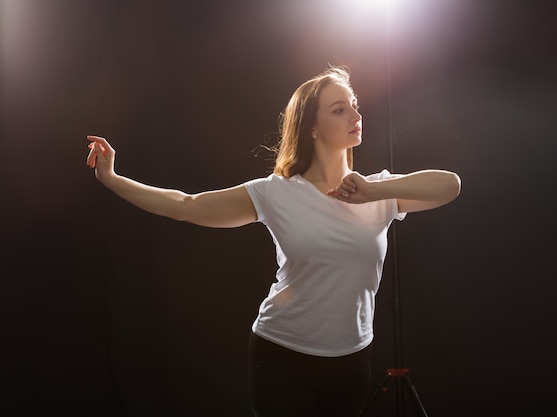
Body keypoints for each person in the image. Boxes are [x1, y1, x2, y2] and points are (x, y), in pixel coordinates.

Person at [86, 65, 461, 417]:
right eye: (339, 109)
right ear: (311, 127)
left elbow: (450, 185)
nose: (355, 116)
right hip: (281, 356)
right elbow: (187, 205)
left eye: (355, 107)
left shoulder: (378, 190)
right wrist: (114, 179)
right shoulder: (275, 193)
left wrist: (374, 191)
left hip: (352, 358)